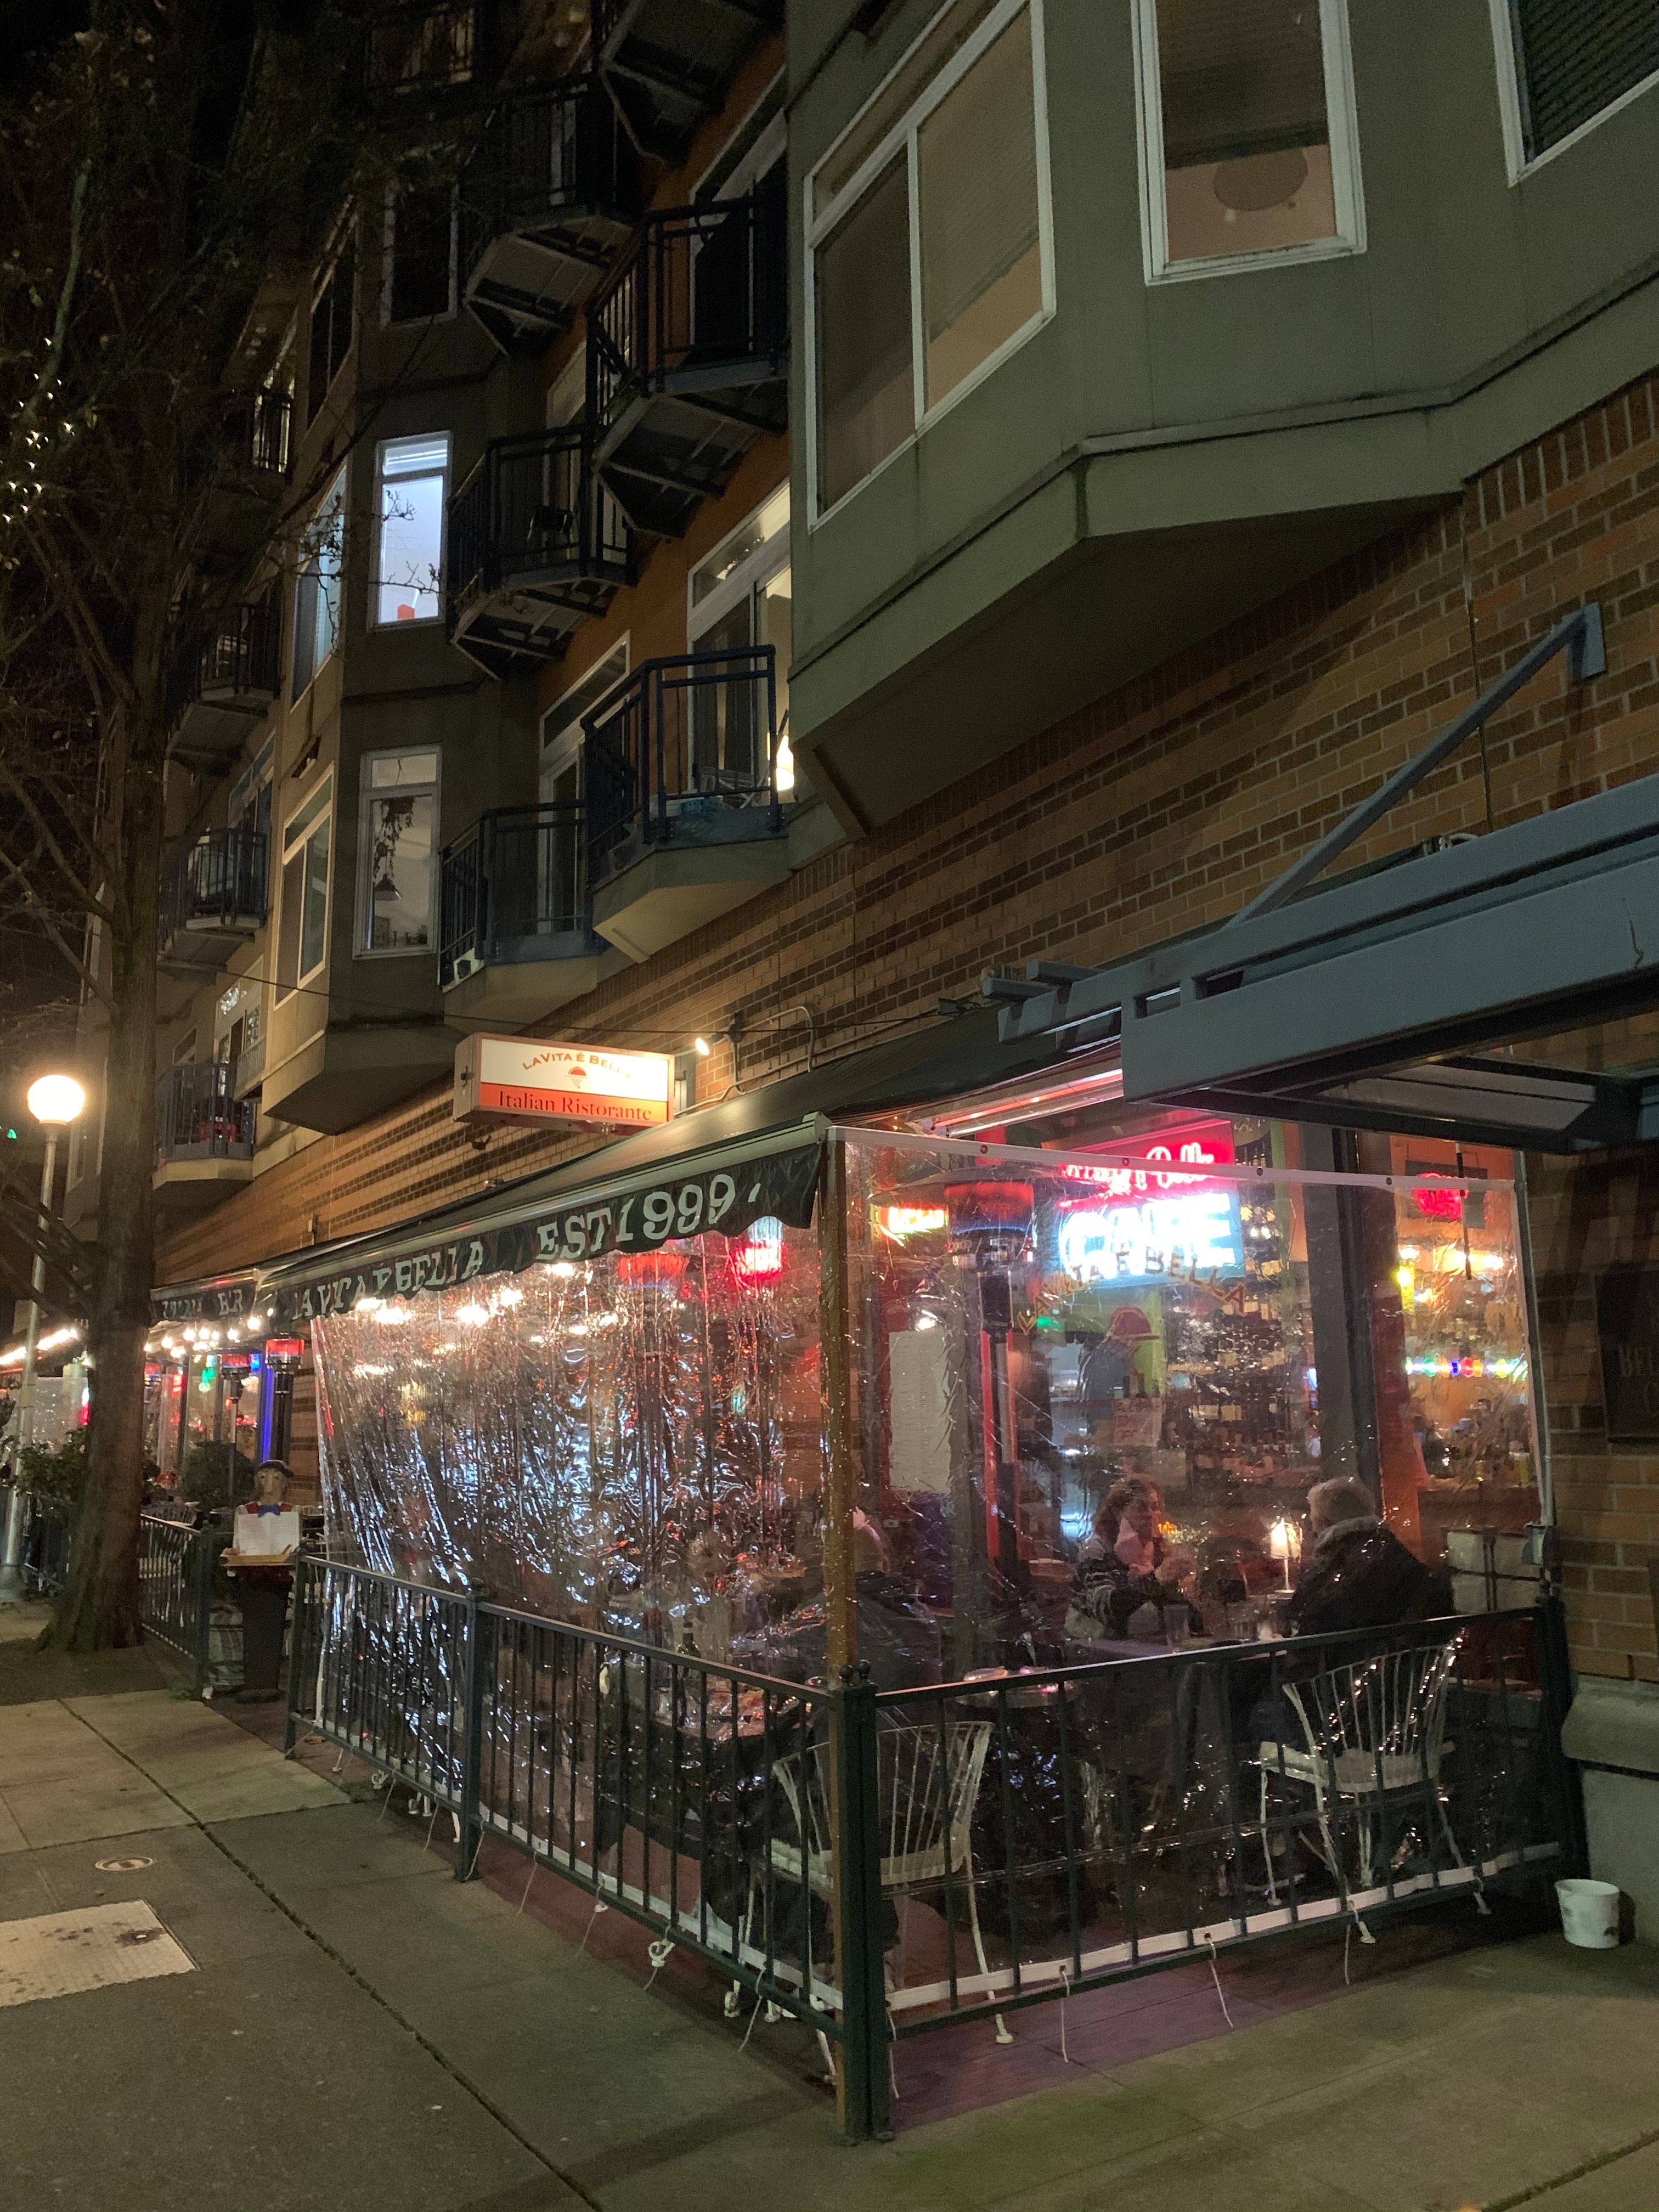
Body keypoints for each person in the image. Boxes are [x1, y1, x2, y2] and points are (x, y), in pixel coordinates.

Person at [1285, 1475, 1452, 1639]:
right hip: (1405, 1652)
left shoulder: (1337, 1564)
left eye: (1313, 1520)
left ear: (1323, 1523)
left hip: (1351, 1654)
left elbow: (1303, 1621)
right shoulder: (1390, 1550)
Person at [1067, 1476, 1194, 1640]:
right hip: (1100, 1646)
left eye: (1155, 1508)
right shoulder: (1096, 1551)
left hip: (1150, 1644)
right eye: (1141, 1508)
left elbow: (1182, 1613)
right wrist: (1157, 1578)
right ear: (1117, 1513)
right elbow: (1106, 1609)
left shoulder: (1159, 1549)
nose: (1151, 1515)